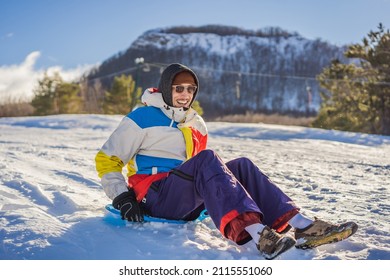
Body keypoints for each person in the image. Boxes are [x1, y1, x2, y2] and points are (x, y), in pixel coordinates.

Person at [95, 63, 358, 259]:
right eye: (179, 88)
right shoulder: (142, 117)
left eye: (190, 89)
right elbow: (107, 158)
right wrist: (122, 198)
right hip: (154, 197)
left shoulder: (196, 124)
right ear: (166, 88)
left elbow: (204, 175)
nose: (185, 94)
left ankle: (302, 225)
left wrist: (220, 196)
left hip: (183, 199)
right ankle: (259, 236)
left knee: (240, 165)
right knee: (208, 158)